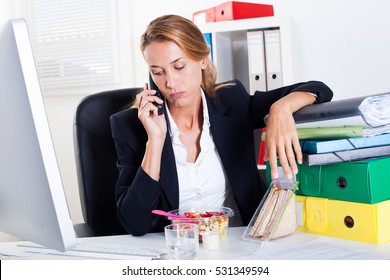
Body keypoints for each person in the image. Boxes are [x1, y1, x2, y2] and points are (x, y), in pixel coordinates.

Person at [110, 14, 333, 236]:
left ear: (203, 59)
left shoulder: (232, 101)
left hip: (241, 242)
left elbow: (318, 88)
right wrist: (155, 141)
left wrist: (280, 109)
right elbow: (134, 223)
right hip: (178, 250)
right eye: (157, 72)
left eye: (179, 66)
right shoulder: (129, 126)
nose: (170, 82)